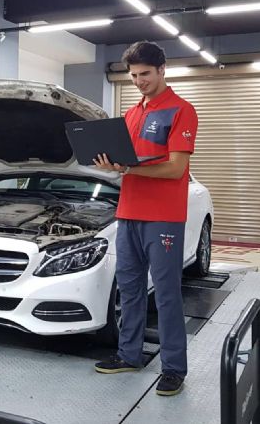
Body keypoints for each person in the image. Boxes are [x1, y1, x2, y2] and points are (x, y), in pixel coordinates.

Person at [92, 41, 198, 397]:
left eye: (145, 74)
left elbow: (176, 168)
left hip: (163, 217)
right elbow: (126, 163)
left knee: (166, 294)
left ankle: (173, 369)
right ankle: (129, 354)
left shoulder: (181, 111)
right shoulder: (132, 113)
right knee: (130, 288)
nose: (139, 81)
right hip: (128, 214)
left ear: (162, 69)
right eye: (134, 75)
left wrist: (129, 169)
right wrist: (112, 165)